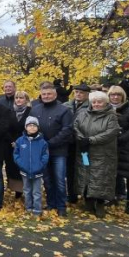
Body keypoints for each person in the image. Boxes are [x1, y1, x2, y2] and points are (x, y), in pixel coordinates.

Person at [29, 82, 74, 217]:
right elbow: (30, 127)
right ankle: (51, 203)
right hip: (41, 151)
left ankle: (61, 206)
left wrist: (50, 143)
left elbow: (67, 130)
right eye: (44, 94)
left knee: (59, 179)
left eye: (49, 94)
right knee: (47, 179)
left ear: (55, 95)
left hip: (58, 151)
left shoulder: (64, 110)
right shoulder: (35, 109)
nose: (46, 96)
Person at [74, 91, 120, 218]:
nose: (96, 104)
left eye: (99, 102)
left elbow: (111, 132)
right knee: (86, 173)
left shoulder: (111, 116)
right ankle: (88, 200)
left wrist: (91, 140)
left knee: (101, 177)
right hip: (85, 151)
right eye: (94, 102)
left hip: (103, 153)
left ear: (105, 102)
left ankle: (100, 203)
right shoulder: (83, 113)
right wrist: (81, 138)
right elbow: (75, 126)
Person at [108, 86, 129, 215]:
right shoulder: (106, 108)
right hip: (111, 146)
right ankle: (115, 196)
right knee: (115, 174)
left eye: (118, 95)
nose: (115, 97)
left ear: (122, 96)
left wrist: (121, 138)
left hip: (127, 146)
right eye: (112, 95)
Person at [12, 116, 49, 216]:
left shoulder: (42, 142)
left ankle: (37, 209)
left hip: (38, 171)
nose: (32, 127)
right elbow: (16, 155)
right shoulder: (20, 141)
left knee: (36, 192)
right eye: (29, 125)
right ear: (25, 127)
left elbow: (45, 156)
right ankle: (28, 207)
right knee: (27, 190)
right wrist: (21, 164)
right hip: (25, 170)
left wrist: (40, 166)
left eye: (34, 125)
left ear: (38, 127)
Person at [64, 83, 91, 204]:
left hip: (84, 145)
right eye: (77, 92)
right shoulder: (67, 105)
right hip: (70, 144)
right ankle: (71, 194)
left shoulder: (91, 106)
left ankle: (87, 194)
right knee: (70, 169)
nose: (78, 95)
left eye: (82, 93)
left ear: (87, 94)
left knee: (86, 167)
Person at [6, 90, 32, 199]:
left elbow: (32, 128)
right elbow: (6, 127)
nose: (18, 100)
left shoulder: (31, 112)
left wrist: (21, 142)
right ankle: (17, 191)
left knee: (25, 168)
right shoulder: (10, 112)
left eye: (21, 98)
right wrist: (12, 141)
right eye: (16, 98)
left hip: (26, 144)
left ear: (26, 100)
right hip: (11, 144)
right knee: (13, 168)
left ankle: (27, 191)